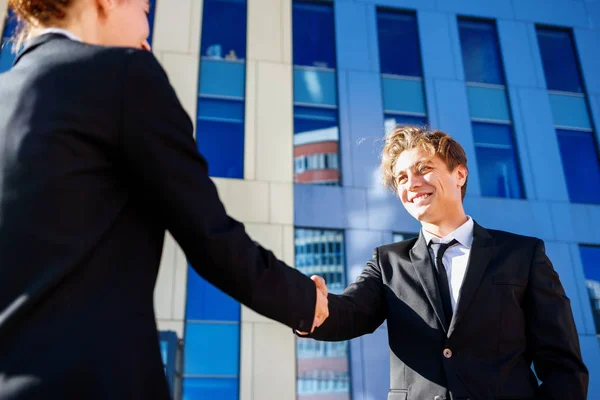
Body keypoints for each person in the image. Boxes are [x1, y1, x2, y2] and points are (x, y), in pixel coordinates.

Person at [0, 0, 328, 398]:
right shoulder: (123, 77)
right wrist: (304, 300)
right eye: (144, 11)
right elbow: (209, 234)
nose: (146, 30)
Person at [301, 126, 588, 400]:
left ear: (460, 174)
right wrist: (311, 307)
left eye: (423, 169)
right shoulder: (387, 262)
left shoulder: (522, 255)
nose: (411, 183)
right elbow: (349, 313)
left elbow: (562, 364)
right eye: (401, 178)